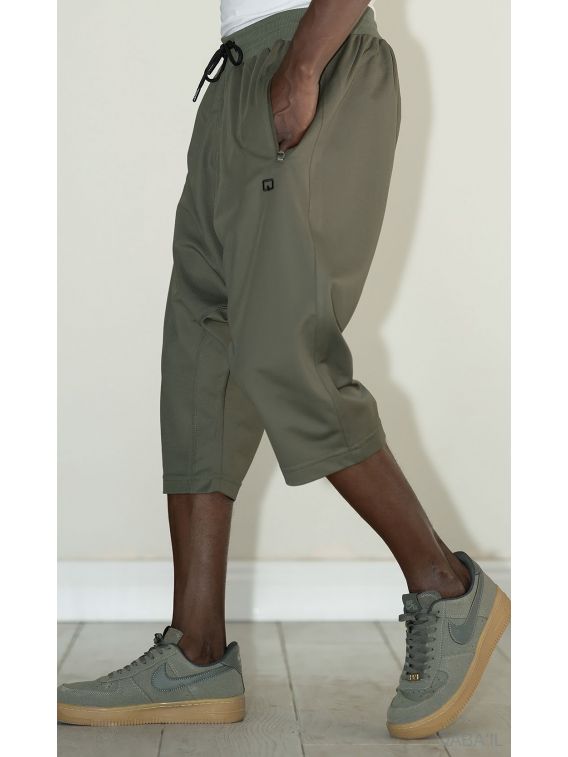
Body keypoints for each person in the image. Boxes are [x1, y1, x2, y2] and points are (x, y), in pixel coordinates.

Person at [57, 0, 510, 739]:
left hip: (312, 51)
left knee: (281, 351)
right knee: (199, 359)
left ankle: (446, 585)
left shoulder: (306, 63)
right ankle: (196, 652)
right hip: (235, 74)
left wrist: (302, 65)